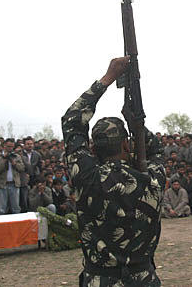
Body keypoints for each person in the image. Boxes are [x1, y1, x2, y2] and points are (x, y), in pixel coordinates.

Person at [61, 57, 165, 286]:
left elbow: (72, 121)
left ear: (93, 150)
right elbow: (156, 150)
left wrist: (107, 79)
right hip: (142, 279)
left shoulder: (87, 178)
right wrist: (136, 121)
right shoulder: (151, 180)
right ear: (126, 146)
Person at [0, 139, 25, 215]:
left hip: (14, 184)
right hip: (2, 184)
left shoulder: (16, 156)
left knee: (16, 208)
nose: (10, 148)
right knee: (2, 208)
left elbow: (22, 168)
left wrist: (14, 164)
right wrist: (4, 159)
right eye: (8, 146)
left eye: (12, 147)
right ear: (4, 146)